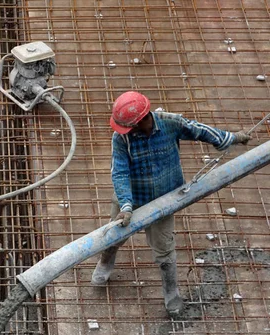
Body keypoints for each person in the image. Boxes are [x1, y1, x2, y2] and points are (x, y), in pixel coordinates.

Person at [91, 91, 250, 317]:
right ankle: (105, 264)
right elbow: (120, 173)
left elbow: (199, 130)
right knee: (113, 237)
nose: (128, 132)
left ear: (143, 119)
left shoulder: (170, 123)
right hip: (131, 200)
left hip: (163, 201)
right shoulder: (121, 139)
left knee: (165, 253)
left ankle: (171, 293)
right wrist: (126, 205)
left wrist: (229, 138)